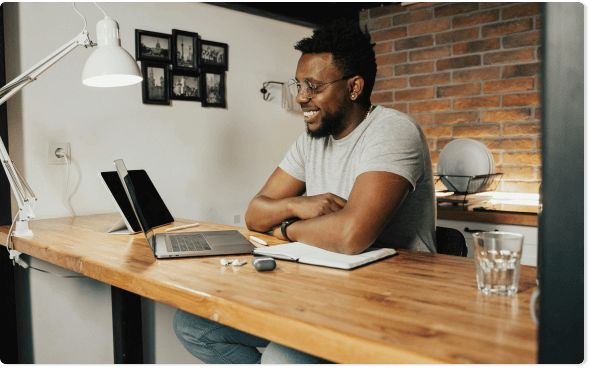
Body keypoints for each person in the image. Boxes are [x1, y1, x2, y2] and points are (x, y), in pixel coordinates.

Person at [174, 19, 436, 364]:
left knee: (281, 359)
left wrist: (285, 228)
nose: (301, 98)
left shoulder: (392, 131)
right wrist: (301, 204)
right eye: (298, 85)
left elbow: (350, 234)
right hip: (324, 293)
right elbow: (255, 214)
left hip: (390, 303)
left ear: (354, 87)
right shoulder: (311, 141)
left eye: (312, 86)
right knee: (193, 324)